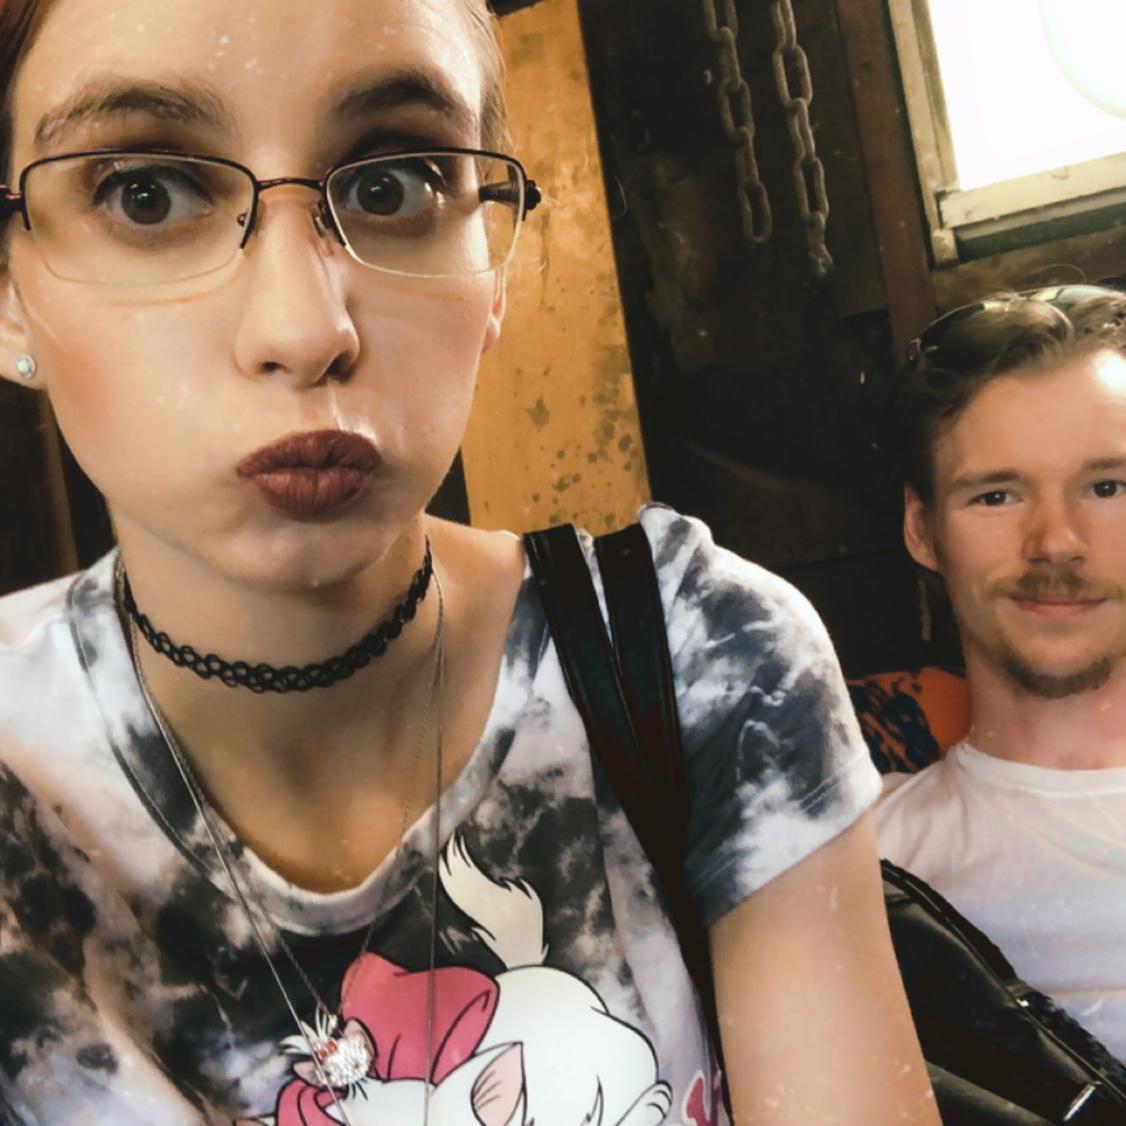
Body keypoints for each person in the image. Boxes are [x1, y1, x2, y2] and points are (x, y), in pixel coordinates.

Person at [0, 0, 936, 1121]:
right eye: (145, 192)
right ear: (10, 291)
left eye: (394, 184)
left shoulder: (706, 661)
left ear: (492, 272)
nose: (305, 329)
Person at [876, 284, 1126, 1063]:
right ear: (922, 529)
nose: (1056, 542)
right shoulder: (866, 860)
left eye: (1107, 487)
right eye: (996, 495)